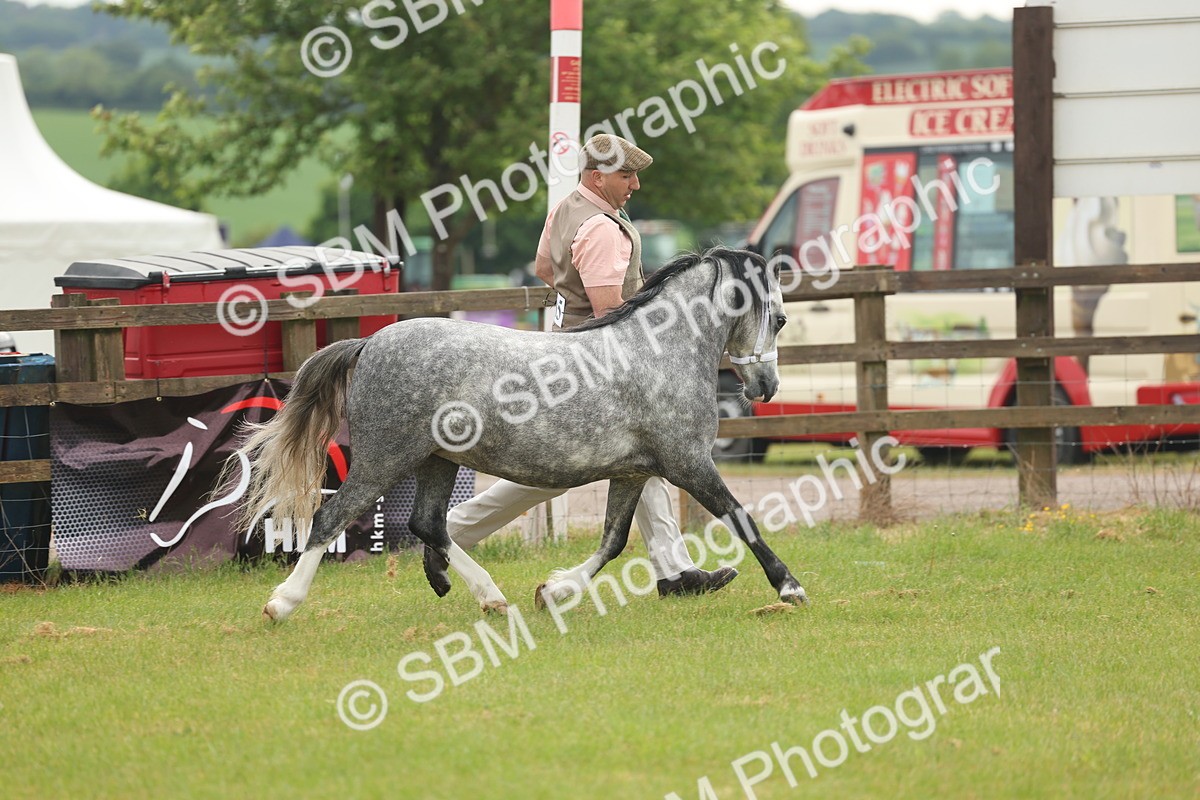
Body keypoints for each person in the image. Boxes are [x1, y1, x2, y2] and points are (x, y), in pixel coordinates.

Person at [446, 134, 737, 596]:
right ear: (598, 176)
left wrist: (571, 296)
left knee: (643, 461)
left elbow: (545, 266)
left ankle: (675, 573)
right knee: (554, 475)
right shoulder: (602, 228)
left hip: (573, 346)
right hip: (601, 359)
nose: (636, 185)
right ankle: (451, 532)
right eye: (627, 175)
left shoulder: (567, 208)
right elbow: (609, 311)